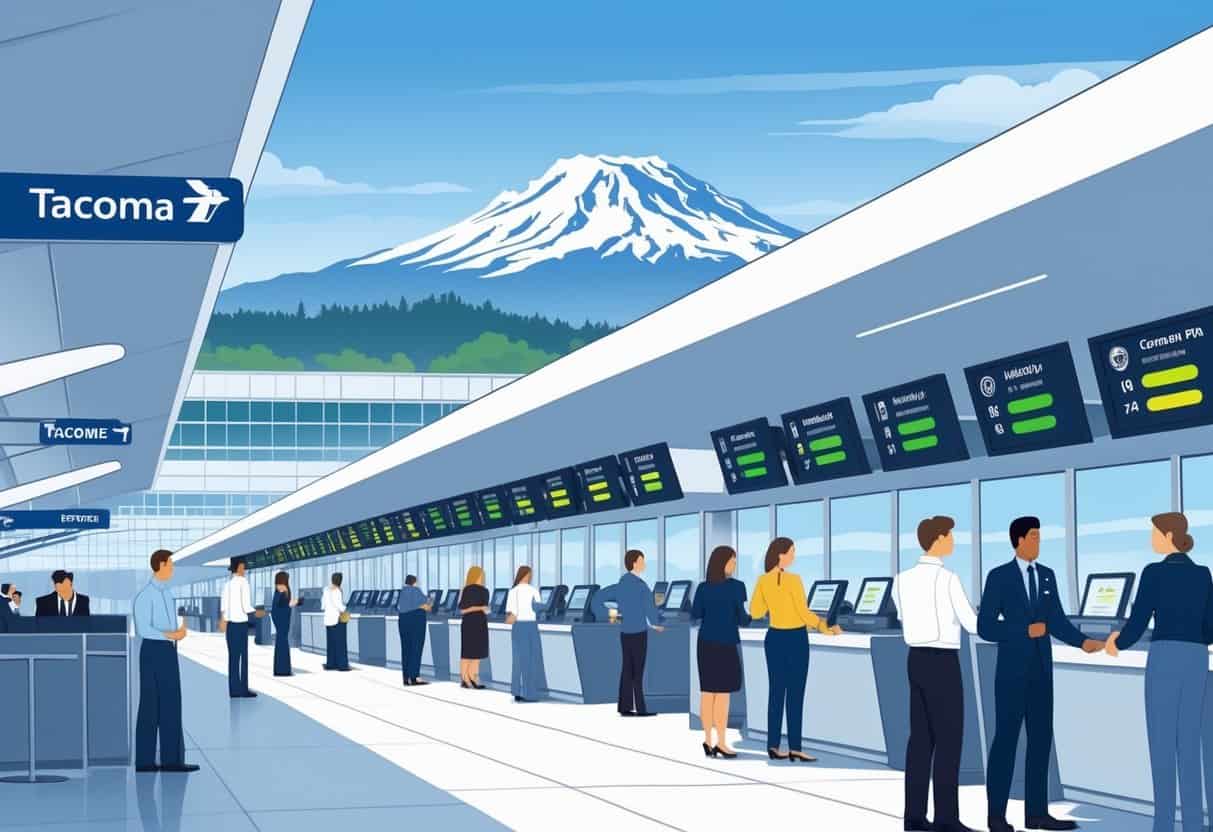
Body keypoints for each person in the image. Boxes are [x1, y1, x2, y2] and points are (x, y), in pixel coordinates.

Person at [979, 516, 1103, 832]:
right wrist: (1024, 630)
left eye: (1039, 536)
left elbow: (1057, 621)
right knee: (1005, 742)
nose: (1038, 541)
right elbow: (987, 626)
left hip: (1040, 672)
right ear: (1018, 540)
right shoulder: (999, 576)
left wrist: (1083, 642)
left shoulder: (1046, 576)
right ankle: (996, 817)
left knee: (1040, 742)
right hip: (1010, 674)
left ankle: (1036, 815)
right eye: (1033, 536)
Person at [1105, 513, 1213, 832]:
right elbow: (1210, 629)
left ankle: (1164, 824)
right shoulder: (1204, 574)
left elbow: (1137, 622)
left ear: (1167, 535)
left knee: (1163, 744)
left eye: (1154, 533)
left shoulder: (1153, 573)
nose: (1151, 539)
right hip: (1195, 659)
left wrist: (1116, 643)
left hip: (1165, 658)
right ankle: (1194, 824)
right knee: (1190, 744)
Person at [892, 516, 979, 832]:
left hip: (915, 660)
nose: (953, 540)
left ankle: (914, 819)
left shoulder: (901, 579)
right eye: (950, 535)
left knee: (920, 741)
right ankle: (946, 819)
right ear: (938, 539)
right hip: (943, 663)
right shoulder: (948, 578)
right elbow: (971, 623)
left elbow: (902, 615)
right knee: (949, 740)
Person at [750, 536, 842, 761]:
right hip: (795, 639)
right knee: (795, 694)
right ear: (780, 554)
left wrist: (771, 598)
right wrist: (824, 626)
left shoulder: (763, 580)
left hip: (773, 639)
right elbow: (803, 613)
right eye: (791, 551)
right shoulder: (794, 580)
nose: (794, 556)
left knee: (776, 693)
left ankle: (773, 745)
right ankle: (795, 748)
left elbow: (755, 612)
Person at [132, 549, 199, 773]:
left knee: (172, 704)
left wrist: (177, 633)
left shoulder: (168, 595)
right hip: (152, 651)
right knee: (150, 705)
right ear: (160, 565)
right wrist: (171, 635)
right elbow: (143, 629)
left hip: (168, 651)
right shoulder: (145, 596)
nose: (172, 568)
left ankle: (173, 760)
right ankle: (144, 761)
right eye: (170, 564)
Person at [691, 545, 751, 758]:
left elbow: (696, 613)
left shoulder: (702, 588)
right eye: (732, 560)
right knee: (722, 695)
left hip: (706, 643)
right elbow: (743, 619)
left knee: (708, 693)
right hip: (725, 642)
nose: (734, 564)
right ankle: (722, 743)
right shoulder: (737, 587)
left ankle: (708, 741)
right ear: (722, 562)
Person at [592, 549, 666, 717]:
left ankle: (624, 707)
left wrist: (612, 615)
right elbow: (650, 610)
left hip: (625, 632)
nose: (644, 564)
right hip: (639, 632)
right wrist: (657, 624)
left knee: (627, 668)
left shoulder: (620, 585)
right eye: (642, 560)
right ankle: (641, 708)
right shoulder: (641, 586)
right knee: (638, 672)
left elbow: (597, 598)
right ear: (634, 563)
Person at [220, 557, 265, 697]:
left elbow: (224, 607)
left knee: (233, 658)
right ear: (239, 567)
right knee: (243, 658)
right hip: (241, 626)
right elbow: (246, 605)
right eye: (243, 567)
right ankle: (243, 689)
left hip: (230, 626)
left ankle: (234, 691)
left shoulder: (227, 585)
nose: (244, 569)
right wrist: (256, 612)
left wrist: (225, 620)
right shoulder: (243, 582)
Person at [506, 565, 545, 702]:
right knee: (531, 660)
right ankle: (530, 693)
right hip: (531, 627)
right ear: (527, 575)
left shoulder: (513, 591)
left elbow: (511, 615)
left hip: (518, 627)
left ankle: (516, 691)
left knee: (517, 660)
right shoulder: (533, 591)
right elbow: (539, 608)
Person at [396, 574, 432, 686]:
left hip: (403, 621)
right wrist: (430, 601)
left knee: (406, 649)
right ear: (414, 582)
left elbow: (400, 607)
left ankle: (406, 678)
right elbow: (427, 605)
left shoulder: (402, 591)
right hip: (416, 621)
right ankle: (414, 677)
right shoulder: (416, 590)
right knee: (416, 648)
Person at [459, 566, 490, 689]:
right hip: (479, 622)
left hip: (468, 623)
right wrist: (480, 608)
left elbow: (463, 610)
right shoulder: (484, 591)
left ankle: (468, 678)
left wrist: (478, 608)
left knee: (470, 652)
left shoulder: (465, 590)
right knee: (475, 653)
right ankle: (470, 678)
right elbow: (484, 608)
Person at [270, 571, 301, 677]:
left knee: (281, 641)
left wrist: (294, 602)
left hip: (280, 617)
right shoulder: (282, 588)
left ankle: (280, 669)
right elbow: (283, 604)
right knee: (283, 642)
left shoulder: (278, 587)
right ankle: (283, 670)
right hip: (282, 618)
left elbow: (282, 603)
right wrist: (296, 602)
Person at [322, 572, 351, 671]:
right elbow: (339, 605)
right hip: (337, 619)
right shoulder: (337, 590)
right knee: (340, 643)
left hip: (327, 619)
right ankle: (342, 665)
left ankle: (331, 663)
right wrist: (346, 609)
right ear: (340, 581)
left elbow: (323, 605)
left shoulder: (326, 590)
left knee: (331, 643)